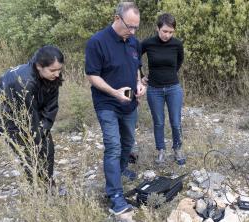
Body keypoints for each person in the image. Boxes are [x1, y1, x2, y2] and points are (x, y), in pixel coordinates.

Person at [85, 2, 146, 216]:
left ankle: (119, 171)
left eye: (136, 28)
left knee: (128, 142)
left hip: (129, 102)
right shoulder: (97, 42)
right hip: (107, 103)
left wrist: (139, 84)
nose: (132, 31)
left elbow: (136, 67)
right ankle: (115, 196)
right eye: (129, 26)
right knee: (113, 145)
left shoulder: (133, 42)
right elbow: (93, 76)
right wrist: (114, 92)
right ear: (116, 18)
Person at [0, 45, 64, 187]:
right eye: (53, 70)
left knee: (47, 148)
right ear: (39, 66)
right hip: (8, 116)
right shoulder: (23, 82)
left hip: (33, 109)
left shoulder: (52, 75)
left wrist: (44, 128)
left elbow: (51, 106)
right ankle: (37, 189)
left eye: (59, 69)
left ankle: (48, 184)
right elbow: (28, 118)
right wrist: (37, 138)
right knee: (30, 153)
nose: (57, 74)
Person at [141, 13, 186, 165]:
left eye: (171, 32)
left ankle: (177, 149)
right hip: (154, 89)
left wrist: (170, 73)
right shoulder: (148, 43)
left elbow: (179, 61)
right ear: (157, 28)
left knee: (175, 121)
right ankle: (161, 150)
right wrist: (140, 75)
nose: (167, 35)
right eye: (164, 31)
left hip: (173, 88)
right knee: (159, 122)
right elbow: (134, 58)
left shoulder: (177, 44)